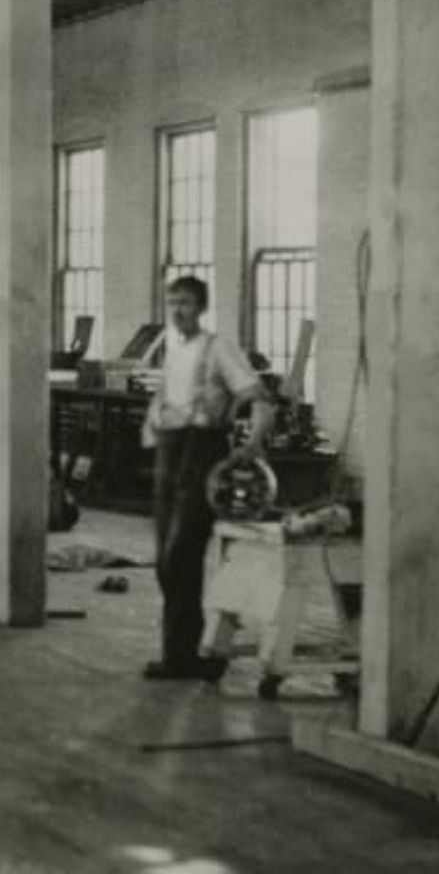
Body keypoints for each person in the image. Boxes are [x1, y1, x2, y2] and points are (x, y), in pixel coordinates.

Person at [141, 275, 273, 682]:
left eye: (185, 303)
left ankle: (182, 658)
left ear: (201, 307)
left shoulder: (219, 349)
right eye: (172, 302)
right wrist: (154, 429)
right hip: (169, 456)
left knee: (181, 556)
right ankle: (181, 653)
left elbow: (260, 399)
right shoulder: (173, 351)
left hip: (201, 455)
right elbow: (164, 398)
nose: (177, 310)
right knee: (164, 561)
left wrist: (251, 446)